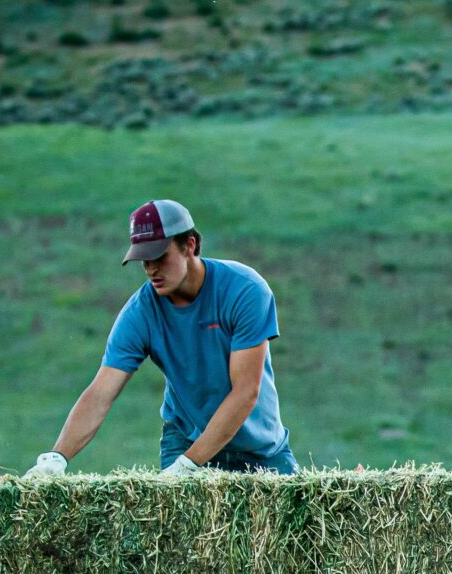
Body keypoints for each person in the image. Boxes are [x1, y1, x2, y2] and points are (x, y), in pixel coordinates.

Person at [28, 199, 297, 478]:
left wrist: (188, 465)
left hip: (259, 447)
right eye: (144, 260)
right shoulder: (140, 313)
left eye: (159, 257)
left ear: (189, 245)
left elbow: (245, 392)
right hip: (185, 440)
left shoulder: (245, 290)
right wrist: (57, 457)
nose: (151, 269)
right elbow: (101, 393)